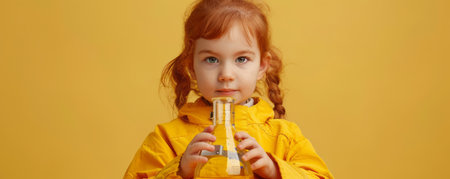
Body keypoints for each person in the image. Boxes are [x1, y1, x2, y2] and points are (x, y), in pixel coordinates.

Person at [124, 0, 333, 178]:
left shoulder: (284, 137)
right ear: (191, 67)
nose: (226, 74)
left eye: (241, 59)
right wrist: (180, 170)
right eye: (211, 59)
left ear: (261, 65)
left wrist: (274, 170)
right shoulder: (167, 138)